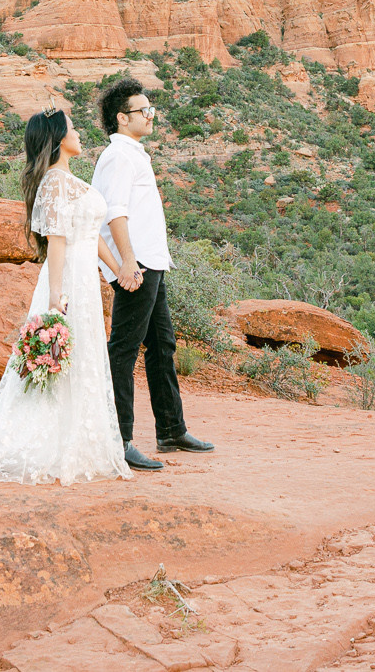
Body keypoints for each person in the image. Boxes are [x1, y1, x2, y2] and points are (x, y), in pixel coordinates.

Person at [0, 107, 131, 485]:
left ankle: (82, 441)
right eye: (74, 129)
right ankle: (50, 445)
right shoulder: (53, 183)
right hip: (69, 280)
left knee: (84, 358)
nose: (80, 134)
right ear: (59, 138)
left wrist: (118, 271)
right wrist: (55, 296)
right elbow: (57, 242)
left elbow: (91, 233)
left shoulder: (68, 180)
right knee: (64, 358)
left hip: (85, 277)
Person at [93, 76, 215, 471]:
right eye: (144, 110)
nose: (151, 115)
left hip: (153, 262)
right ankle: (119, 438)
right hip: (138, 265)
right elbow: (115, 212)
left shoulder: (134, 153)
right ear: (122, 118)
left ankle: (170, 429)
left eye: (151, 109)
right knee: (124, 350)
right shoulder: (118, 156)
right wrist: (127, 261)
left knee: (162, 347)